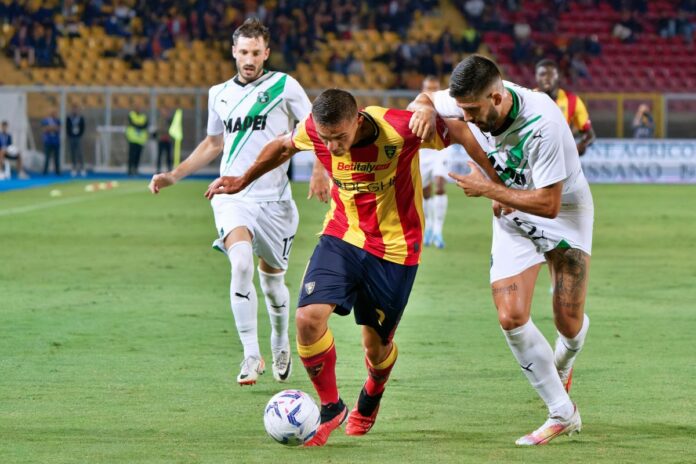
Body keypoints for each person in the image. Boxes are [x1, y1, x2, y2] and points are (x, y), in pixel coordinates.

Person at [203, 88, 455, 447]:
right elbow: (283, 146)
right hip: (342, 236)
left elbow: (461, 131)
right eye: (325, 139)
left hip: (396, 250)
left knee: (376, 348)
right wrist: (243, 180)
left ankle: (374, 388)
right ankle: (331, 406)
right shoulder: (313, 129)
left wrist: (429, 106)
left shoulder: (399, 128)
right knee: (307, 319)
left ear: (358, 120)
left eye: (340, 137)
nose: (333, 147)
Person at [409, 55, 593, 446]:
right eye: (462, 109)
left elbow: (549, 204)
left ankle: (566, 357)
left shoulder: (542, 123)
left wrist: (489, 188)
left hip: (564, 213)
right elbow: (427, 99)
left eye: (473, 111)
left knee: (568, 322)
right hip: (511, 209)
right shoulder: (471, 99)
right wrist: (424, 108)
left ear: (496, 97)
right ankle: (562, 412)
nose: (466, 117)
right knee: (510, 316)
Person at [149, 18, 311, 386]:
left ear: (266, 53)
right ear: (233, 52)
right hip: (232, 196)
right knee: (240, 264)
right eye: (243, 52)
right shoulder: (218, 93)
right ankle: (251, 354)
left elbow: (314, 128)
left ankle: (280, 341)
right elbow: (213, 143)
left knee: (273, 284)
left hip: (276, 201)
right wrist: (173, 175)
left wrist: (319, 171)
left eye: (256, 52)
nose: (249, 59)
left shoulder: (284, 85)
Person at [417, 75, 454, 248]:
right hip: (424, 151)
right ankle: (429, 226)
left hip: (442, 151)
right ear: (423, 89)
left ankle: (438, 231)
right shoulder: (416, 106)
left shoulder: (446, 105)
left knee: (439, 184)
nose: (432, 91)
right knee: (425, 190)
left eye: (435, 88)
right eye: (429, 88)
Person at [535, 59, 596, 156]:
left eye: (551, 74)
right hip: (533, 158)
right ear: (536, 77)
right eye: (542, 74)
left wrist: (582, 144)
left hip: (560, 158)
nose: (547, 78)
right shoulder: (526, 99)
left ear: (558, 76)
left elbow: (589, 134)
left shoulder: (573, 100)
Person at [126, 102, 148, 176]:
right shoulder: (131, 115)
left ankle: (135, 169)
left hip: (140, 140)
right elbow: (132, 123)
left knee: (138, 156)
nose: (138, 109)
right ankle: (130, 170)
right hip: (132, 139)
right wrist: (140, 125)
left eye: (139, 107)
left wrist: (138, 125)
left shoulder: (143, 116)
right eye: (136, 107)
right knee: (131, 155)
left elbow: (145, 125)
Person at [66, 104, 86, 176]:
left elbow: (83, 127)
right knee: (72, 153)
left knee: (80, 153)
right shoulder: (69, 118)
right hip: (71, 137)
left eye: (76, 109)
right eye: (73, 109)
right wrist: (69, 135)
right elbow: (67, 127)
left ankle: (82, 168)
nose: (74, 111)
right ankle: (74, 168)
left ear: (78, 110)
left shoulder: (80, 118)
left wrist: (80, 134)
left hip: (78, 137)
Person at [41, 110, 61, 175]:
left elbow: (58, 129)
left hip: (56, 142)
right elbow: (45, 129)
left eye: (56, 113)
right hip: (48, 141)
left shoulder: (57, 121)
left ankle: (57, 171)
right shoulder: (46, 120)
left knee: (56, 157)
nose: (55, 114)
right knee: (47, 157)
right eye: (54, 113)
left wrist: (50, 128)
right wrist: (53, 128)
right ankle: (45, 171)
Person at [156, 108, 173, 173]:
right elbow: (160, 128)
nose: (165, 113)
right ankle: (158, 169)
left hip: (168, 140)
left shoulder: (170, 120)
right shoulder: (160, 120)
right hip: (161, 139)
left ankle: (169, 168)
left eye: (166, 111)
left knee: (169, 155)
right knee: (160, 155)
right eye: (164, 111)